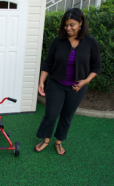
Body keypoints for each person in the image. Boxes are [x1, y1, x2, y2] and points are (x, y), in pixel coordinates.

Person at [35, 8, 102, 155]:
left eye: (72, 25)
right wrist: (41, 82)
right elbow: (47, 63)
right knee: (51, 114)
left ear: (81, 23)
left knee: (66, 116)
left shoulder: (90, 42)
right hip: (56, 84)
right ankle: (46, 139)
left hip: (77, 88)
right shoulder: (58, 41)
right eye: (66, 25)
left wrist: (85, 82)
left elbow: (97, 66)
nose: (68, 28)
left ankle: (58, 142)